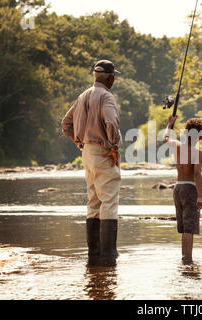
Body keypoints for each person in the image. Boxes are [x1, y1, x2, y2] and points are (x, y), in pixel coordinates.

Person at [61, 60, 122, 263]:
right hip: (103, 151)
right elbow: (111, 122)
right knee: (109, 201)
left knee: (93, 201)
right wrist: (113, 148)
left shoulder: (82, 96)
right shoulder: (107, 96)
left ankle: (93, 255)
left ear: (95, 76)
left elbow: (66, 124)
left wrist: (80, 144)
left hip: (86, 152)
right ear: (110, 78)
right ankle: (109, 255)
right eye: (114, 77)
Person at [163, 115, 202, 263]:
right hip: (190, 189)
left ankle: (184, 259)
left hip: (177, 188)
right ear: (200, 138)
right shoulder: (198, 153)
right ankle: (187, 261)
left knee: (184, 228)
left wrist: (170, 124)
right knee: (189, 229)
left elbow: (165, 138)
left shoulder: (176, 146)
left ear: (185, 133)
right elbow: (197, 174)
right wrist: (200, 196)